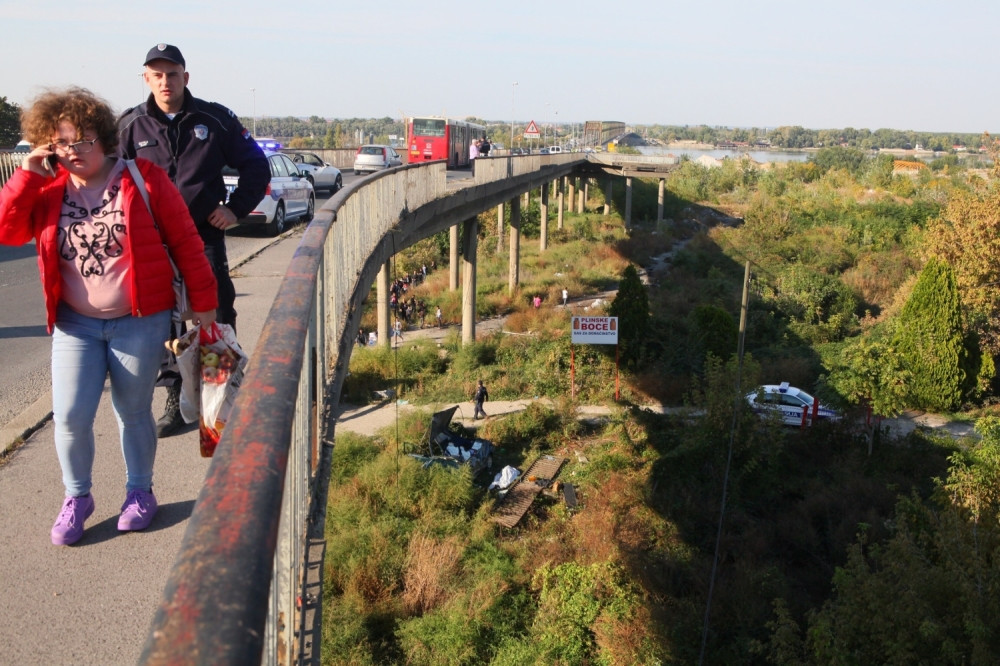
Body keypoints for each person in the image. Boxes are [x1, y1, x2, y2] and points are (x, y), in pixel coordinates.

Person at [0, 87, 218, 545]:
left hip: (139, 319)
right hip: (75, 323)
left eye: (82, 140)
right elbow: (9, 230)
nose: (73, 152)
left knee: (132, 410)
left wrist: (204, 305)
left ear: (104, 137)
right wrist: (25, 177)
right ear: (47, 145)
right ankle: (77, 497)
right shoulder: (47, 189)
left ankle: (139, 492)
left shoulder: (144, 179)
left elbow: (186, 245)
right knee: (71, 415)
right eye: (62, 143)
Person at [118, 43, 269, 437]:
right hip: (152, 244)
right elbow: (109, 181)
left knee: (214, 316)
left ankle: (217, 402)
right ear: (146, 79)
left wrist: (234, 210)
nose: (165, 81)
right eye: (157, 74)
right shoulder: (130, 126)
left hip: (203, 237)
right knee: (165, 322)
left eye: (172, 74)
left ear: (185, 77)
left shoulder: (214, 119)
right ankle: (174, 396)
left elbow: (256, 165)